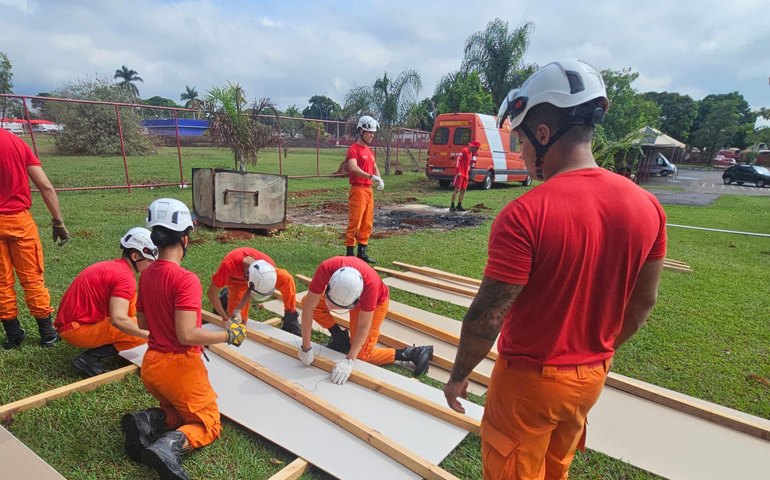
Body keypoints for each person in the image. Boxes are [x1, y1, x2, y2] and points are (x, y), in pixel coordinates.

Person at [443, 60, 667, 479]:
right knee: (555, 469)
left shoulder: (525, 213)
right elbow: (643, 303)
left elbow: (488, 315)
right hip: (591, 378)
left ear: (543, 135)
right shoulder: (646, 206)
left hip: (529, 383)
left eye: (522, 142)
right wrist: (593, 354)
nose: (522, 153)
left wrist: (458, 375)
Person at [121, 198, 246, 480]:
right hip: (179, 367)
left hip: (152, 365)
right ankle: (168, 448)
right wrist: (228, 334)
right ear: (185, 239)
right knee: (209, 423)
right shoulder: (185, 279)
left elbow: (143, 323)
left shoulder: (148, 274)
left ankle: (147, 422)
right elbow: (187, 334)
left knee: (180, 412)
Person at [297, 256, 433, 385]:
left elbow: (363, 326)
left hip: (375, 303)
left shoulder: (370, 287)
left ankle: (410, 353)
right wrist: (306, 347)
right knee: (308, 303)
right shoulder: (327, 268)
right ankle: (340, 339)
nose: (333, 308)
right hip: (350, 297)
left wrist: (349, 360)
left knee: (362, 355)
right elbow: (309, 306)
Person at [55, 227, 157, 377]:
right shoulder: (125, 279)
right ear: (135, 256)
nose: (152, 265)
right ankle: (88, 360)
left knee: (134, 323)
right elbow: (119, 320)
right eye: (150, 260)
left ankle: (124, 349)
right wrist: (151, 336)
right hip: (76, 330)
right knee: (139, 336)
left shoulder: (115, 268)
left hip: (73, 324)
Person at [0, 128, 68, 349]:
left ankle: (13, 335)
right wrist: (57, 221)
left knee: (1, 283)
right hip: (20, 222)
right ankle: (48, 335)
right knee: (32, 279)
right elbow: (45, 186)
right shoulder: (16, 143)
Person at [206, 247, 300, 336]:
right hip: (236, 281)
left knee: (286, 278)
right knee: (239, 323)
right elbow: (211, 294)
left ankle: (291, 315)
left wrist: (238, 309)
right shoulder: (228, 266)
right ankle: (225, 298)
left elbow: (253, 288)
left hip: (252, 279)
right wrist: (225, 319)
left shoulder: (268, 266)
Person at [344, 115, 384, 264]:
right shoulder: (354, 149)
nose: (372, 136)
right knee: (355, 221)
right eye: (369, 133)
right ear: (361, 131)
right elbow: (353, 167)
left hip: (369, 190)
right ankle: (349, 252)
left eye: (373, 133)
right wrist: (370, 176)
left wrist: (379, 179)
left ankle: (362, 251)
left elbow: (375, 167)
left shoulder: (369, 151)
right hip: (358, 189)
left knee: (367, 222)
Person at [450, 140, 480, 212]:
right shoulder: (464, 151)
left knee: (463, 190)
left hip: (466, 174)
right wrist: (459, 171)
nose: (476, 150)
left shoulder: (471, 153)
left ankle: (459, 205)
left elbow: (468, 163)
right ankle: (452, 204)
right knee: (457, 189)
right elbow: (458, 160)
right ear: (473, 147)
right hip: (460, 173)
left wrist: (469, 169)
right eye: (476, 148)